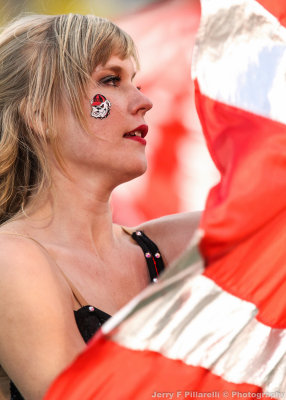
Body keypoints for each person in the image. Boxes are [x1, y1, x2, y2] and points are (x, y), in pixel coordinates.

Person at [0, 13, 200, 400]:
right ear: (40, 115)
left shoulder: (169, 244)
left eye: (135, 82)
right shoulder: (11, 258)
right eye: (111, 80)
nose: (144, 102)